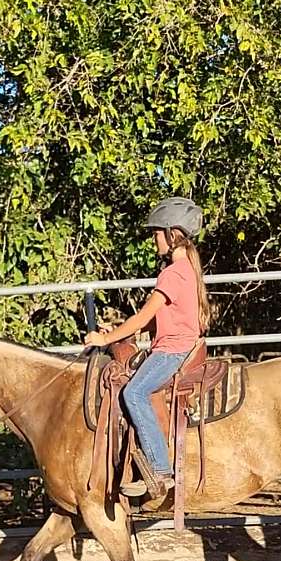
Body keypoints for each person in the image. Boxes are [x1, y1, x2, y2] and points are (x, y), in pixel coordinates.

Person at [84, 196, 210, 497]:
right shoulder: (186, 271)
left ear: (172, 234)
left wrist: (105, 339)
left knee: (135, 392)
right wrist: (117, 332)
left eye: (157, 233)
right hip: (177, 345)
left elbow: (143, 317)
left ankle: (160, 469)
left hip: (173, 350)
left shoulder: (172, 274)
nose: (154, 240)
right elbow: (157, 320)